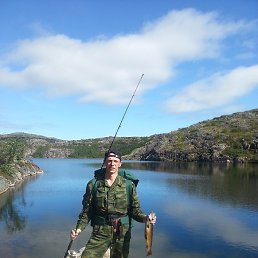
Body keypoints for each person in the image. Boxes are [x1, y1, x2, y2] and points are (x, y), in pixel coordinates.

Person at [70, 150, 156, 258]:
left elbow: (135, 211)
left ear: (120, 163)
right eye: (109, 161)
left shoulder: (129, 185)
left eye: (115, 161)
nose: (112, 164)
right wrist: (78, 228)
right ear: (105, 162)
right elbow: (87, 211)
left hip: (123, 232)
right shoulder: (93, 184)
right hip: (100, 231)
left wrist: (146, 218)